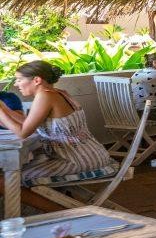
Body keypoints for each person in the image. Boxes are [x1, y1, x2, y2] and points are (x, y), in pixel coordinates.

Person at [0, 61, 114, 200]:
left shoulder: (45, 96)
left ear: (37, 80)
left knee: (9, 180)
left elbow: (23, 132)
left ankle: (52, 212)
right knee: (14, 174)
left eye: (19, 79)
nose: (16, 84)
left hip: (76, 160)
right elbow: (29, 123)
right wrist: (4, 108)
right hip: (91, 154)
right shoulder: (57, 93)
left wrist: (1, 112)